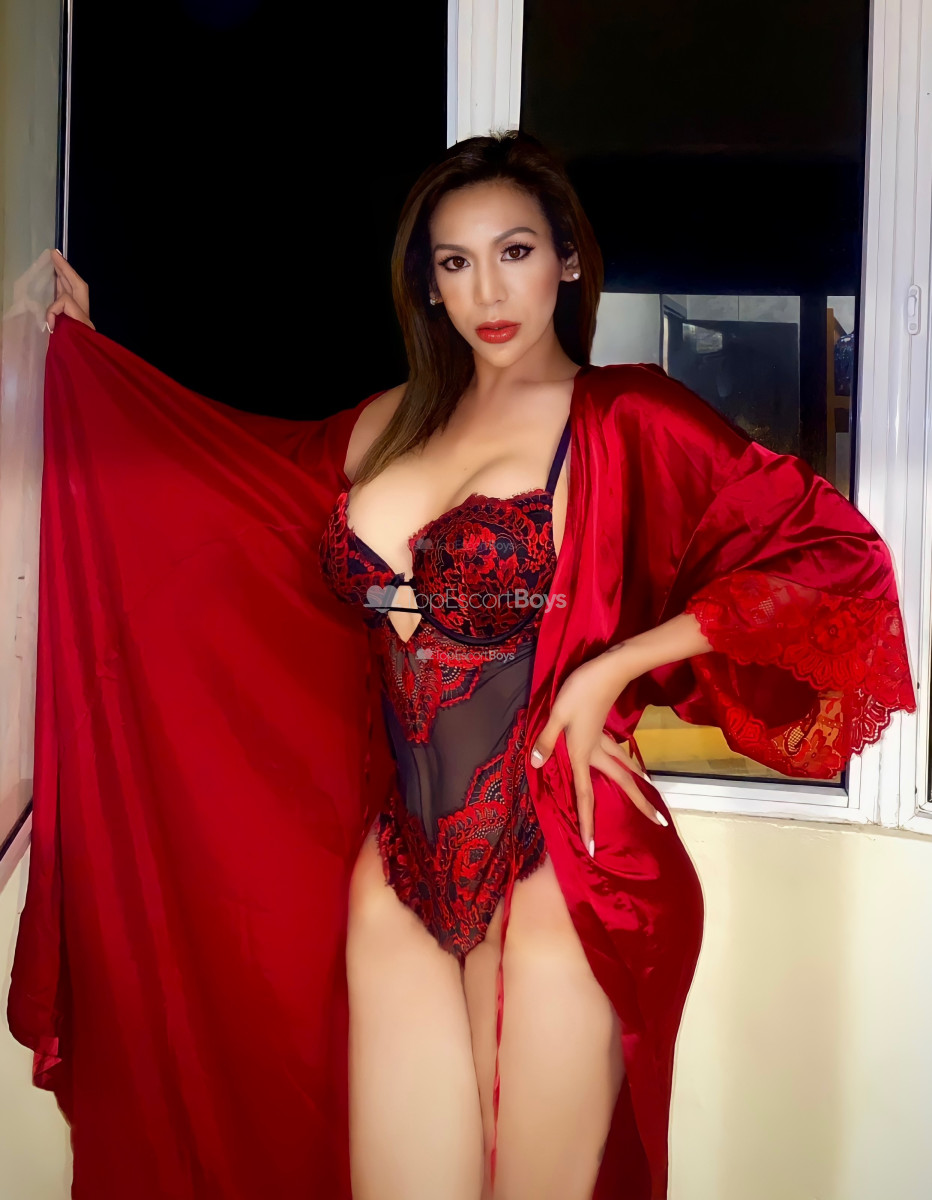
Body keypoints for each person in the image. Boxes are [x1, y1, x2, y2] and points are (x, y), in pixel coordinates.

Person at [24, 132, 916, 1200]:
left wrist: (611, 669)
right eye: (454, 261)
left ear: (567, 261)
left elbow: (833, 562)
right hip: (396, 870)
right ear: (427, 282)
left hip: (558, 862)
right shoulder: (392, 424)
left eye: (514, 251)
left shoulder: (623, 414)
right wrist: (91, 363)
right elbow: (221, 488)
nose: (486, 290)